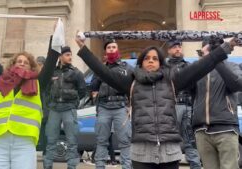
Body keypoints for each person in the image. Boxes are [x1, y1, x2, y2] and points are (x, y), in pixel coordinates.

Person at [75, 33, 239, 169]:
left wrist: (227, 46)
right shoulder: (130, 83)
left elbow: (203, 65)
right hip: (141, 153)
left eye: (155, 58)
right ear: (141, 62)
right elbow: (103, 72)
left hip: (169, 153)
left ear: (160, 63)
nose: (151, 60)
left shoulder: (173, 81)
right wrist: (83, 48)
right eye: (147, 58)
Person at [0, 14, 60, 169]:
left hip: (24, 143)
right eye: (19, 61)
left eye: (26, 62)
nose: (22, 64)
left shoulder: (38, 82)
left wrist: (55, 35)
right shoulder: (2, 79)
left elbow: (51, 60)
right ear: (13, 64)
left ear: (31, 67)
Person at [192, 37, 242, 169]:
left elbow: (237, 84)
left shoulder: (232, 66)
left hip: (226, 128)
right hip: (202, 130)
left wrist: (217, 62)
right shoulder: (198, 69)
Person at [89, 39, 133, 169]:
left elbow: (134, 87)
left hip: (121, 107)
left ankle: (127, 167)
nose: (112, 49)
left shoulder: (127, 68)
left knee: (125, 141)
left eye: (114, 47)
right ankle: (100, 166)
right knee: (101, 141)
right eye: (109, 47)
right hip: (104, 107)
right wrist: (100, 74)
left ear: (117, 49)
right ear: (106, 51)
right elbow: (93, 87)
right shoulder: (100, 69)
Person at [43, 46, 86, 169]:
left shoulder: (77, 73)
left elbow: (82, 91)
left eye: (70, 54)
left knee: (72, 141)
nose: (70, 57)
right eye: (67, 54)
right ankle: (47, 166)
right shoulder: (52, 72)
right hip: (54, 109)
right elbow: (45, 89)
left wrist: (74, 103)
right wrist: (49, 104)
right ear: (60, 56)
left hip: (69, 109)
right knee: (50, 140)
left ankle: (71, 166)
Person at [166, 40, 201, 169]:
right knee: (170, 141)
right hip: (170, 107)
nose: (178, 49)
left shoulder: (189, 66)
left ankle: (195, 166)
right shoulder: (164, 67)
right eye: (174, 47)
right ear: (169, 50)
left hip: (187, 106)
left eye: (179, 47)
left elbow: (197, 88)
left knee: (190, 141)